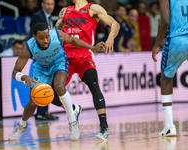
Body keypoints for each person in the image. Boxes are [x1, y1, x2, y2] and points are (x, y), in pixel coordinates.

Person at [8, 22, 105, 141]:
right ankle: (22, 125)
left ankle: (72, 122)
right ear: (35, 37)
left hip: (59, 63)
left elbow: (74, 41)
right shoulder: (29, 47)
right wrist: (24, 77)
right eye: (41, 38)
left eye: (47, 37)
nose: (45, 41)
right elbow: (15, 72)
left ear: (49, 34)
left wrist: (92, 47)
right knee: (33, 103)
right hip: (40, 70)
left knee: (59, 87)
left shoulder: (57, 35)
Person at [55, 0, 120, 140]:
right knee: (50, 92)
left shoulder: (92, 8)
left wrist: (110, 38)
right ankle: (73, 109)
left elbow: (115, 23)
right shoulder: (64, 11)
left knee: (94, 85)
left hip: (84, 56)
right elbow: (57, 33)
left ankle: (104, 126)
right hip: (66, 57)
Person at [151, 0, 188, 137]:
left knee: (166, 79)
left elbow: (165, 21)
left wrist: (156, 45)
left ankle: (169, 126)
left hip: (177, 39)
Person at [29, 0, 56, 120]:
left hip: (47, 54)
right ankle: (39, 113)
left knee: (47, 83)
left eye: (52, 4)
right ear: (42, 4)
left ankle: (44, 111)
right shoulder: (38, 16)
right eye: (47, 4)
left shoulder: (50, 17)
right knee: (40, 82)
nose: (50, 6)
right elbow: (33, 36)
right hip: (40, 54)